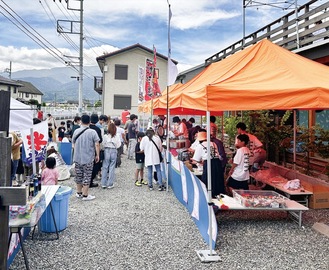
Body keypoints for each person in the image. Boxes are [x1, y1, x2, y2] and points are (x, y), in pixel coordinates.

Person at [72, 114, 100, 201]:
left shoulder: (76, 131)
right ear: (89, 121)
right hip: (88, 157)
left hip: (77, 157)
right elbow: (97, 144)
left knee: (79, 175)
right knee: (87, 175)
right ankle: (85, 195)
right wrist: (97, 155)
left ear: (81, 121)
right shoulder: (92, 132)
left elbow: (73, 144)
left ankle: (79, 192)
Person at [191, 130, 225, 198]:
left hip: (209, 164)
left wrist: (193, 161)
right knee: (217, 180)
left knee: (208, 180)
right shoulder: (213, 143)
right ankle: (218, 196)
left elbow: (195, 159)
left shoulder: (200, 146)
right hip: (217, 163)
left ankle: (208, 197)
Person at [140, 127, 165, 191]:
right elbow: (160, 148)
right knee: (158, 170)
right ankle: (160, 185)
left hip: (148, 157)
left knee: (149, 171)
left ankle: (150, 185)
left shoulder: (144, 139)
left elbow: (141, 148)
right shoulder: (157, 138)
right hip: (156, 156)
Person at [101, 122, 121, 189]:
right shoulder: (117, 136)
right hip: (113, 150)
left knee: (105, 166)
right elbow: (119, 145)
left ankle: (103, 183)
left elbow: (103, 144)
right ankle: (110, 183)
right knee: (112, 167)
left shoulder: (105, 136)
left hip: (106, 150)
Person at [89, 114, 102, 188]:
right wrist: (98, 154)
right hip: (94, 149)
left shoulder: (87, 128)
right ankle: (90, 181)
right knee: (95, 165)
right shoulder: (97, 129)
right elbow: (99, 142)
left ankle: (85, 181)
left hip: (86, 149)